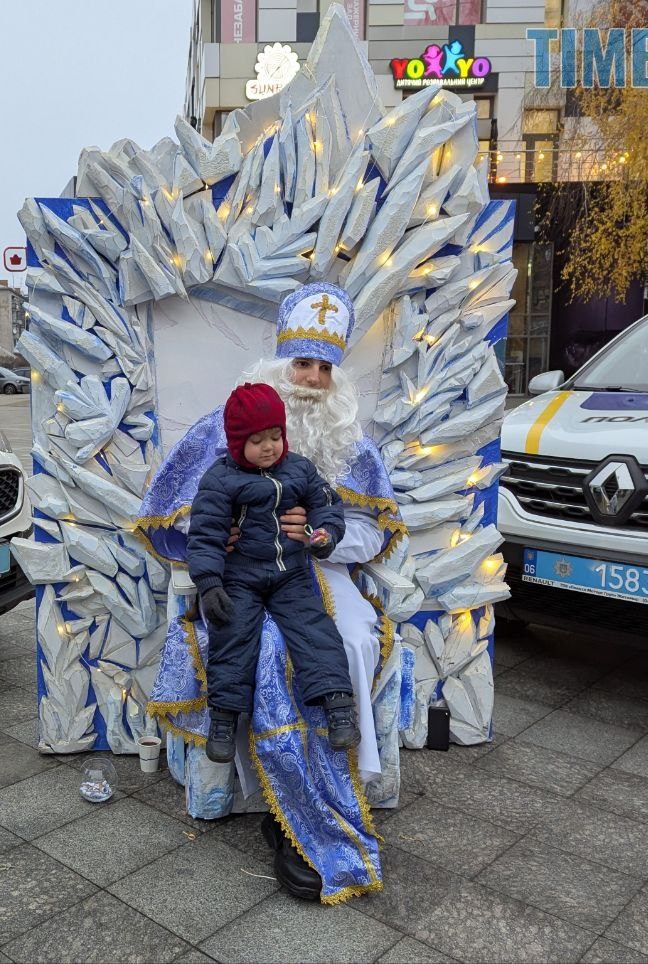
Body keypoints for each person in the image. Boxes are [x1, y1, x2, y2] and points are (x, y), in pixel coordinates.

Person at [138, 282, 405, 904]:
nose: (311, 379)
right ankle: (276, 798)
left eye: (324, 367)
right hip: (242, 576)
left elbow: (372, 529)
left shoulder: (349, 444)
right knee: (250, 646)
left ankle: (338, 782)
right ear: (281, 364)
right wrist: (224, 542)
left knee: (353, 639)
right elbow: (172, 517)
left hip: (320, 571)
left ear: (336, 377)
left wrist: (321, 538)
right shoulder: (220, 432)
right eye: (302, 363)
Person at [187, 382, 358, 762]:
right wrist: (210, 583)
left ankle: (339, 706)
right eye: (257, 440)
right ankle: (224, 717)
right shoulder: (220, 480)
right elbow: (205, 533)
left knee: (315, 627)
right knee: (232, 632)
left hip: (291, 573)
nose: (269, 446)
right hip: (241, 575)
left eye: (275, 435)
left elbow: (327, 505)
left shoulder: (300, 469)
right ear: (236, 443)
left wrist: (325, 534)